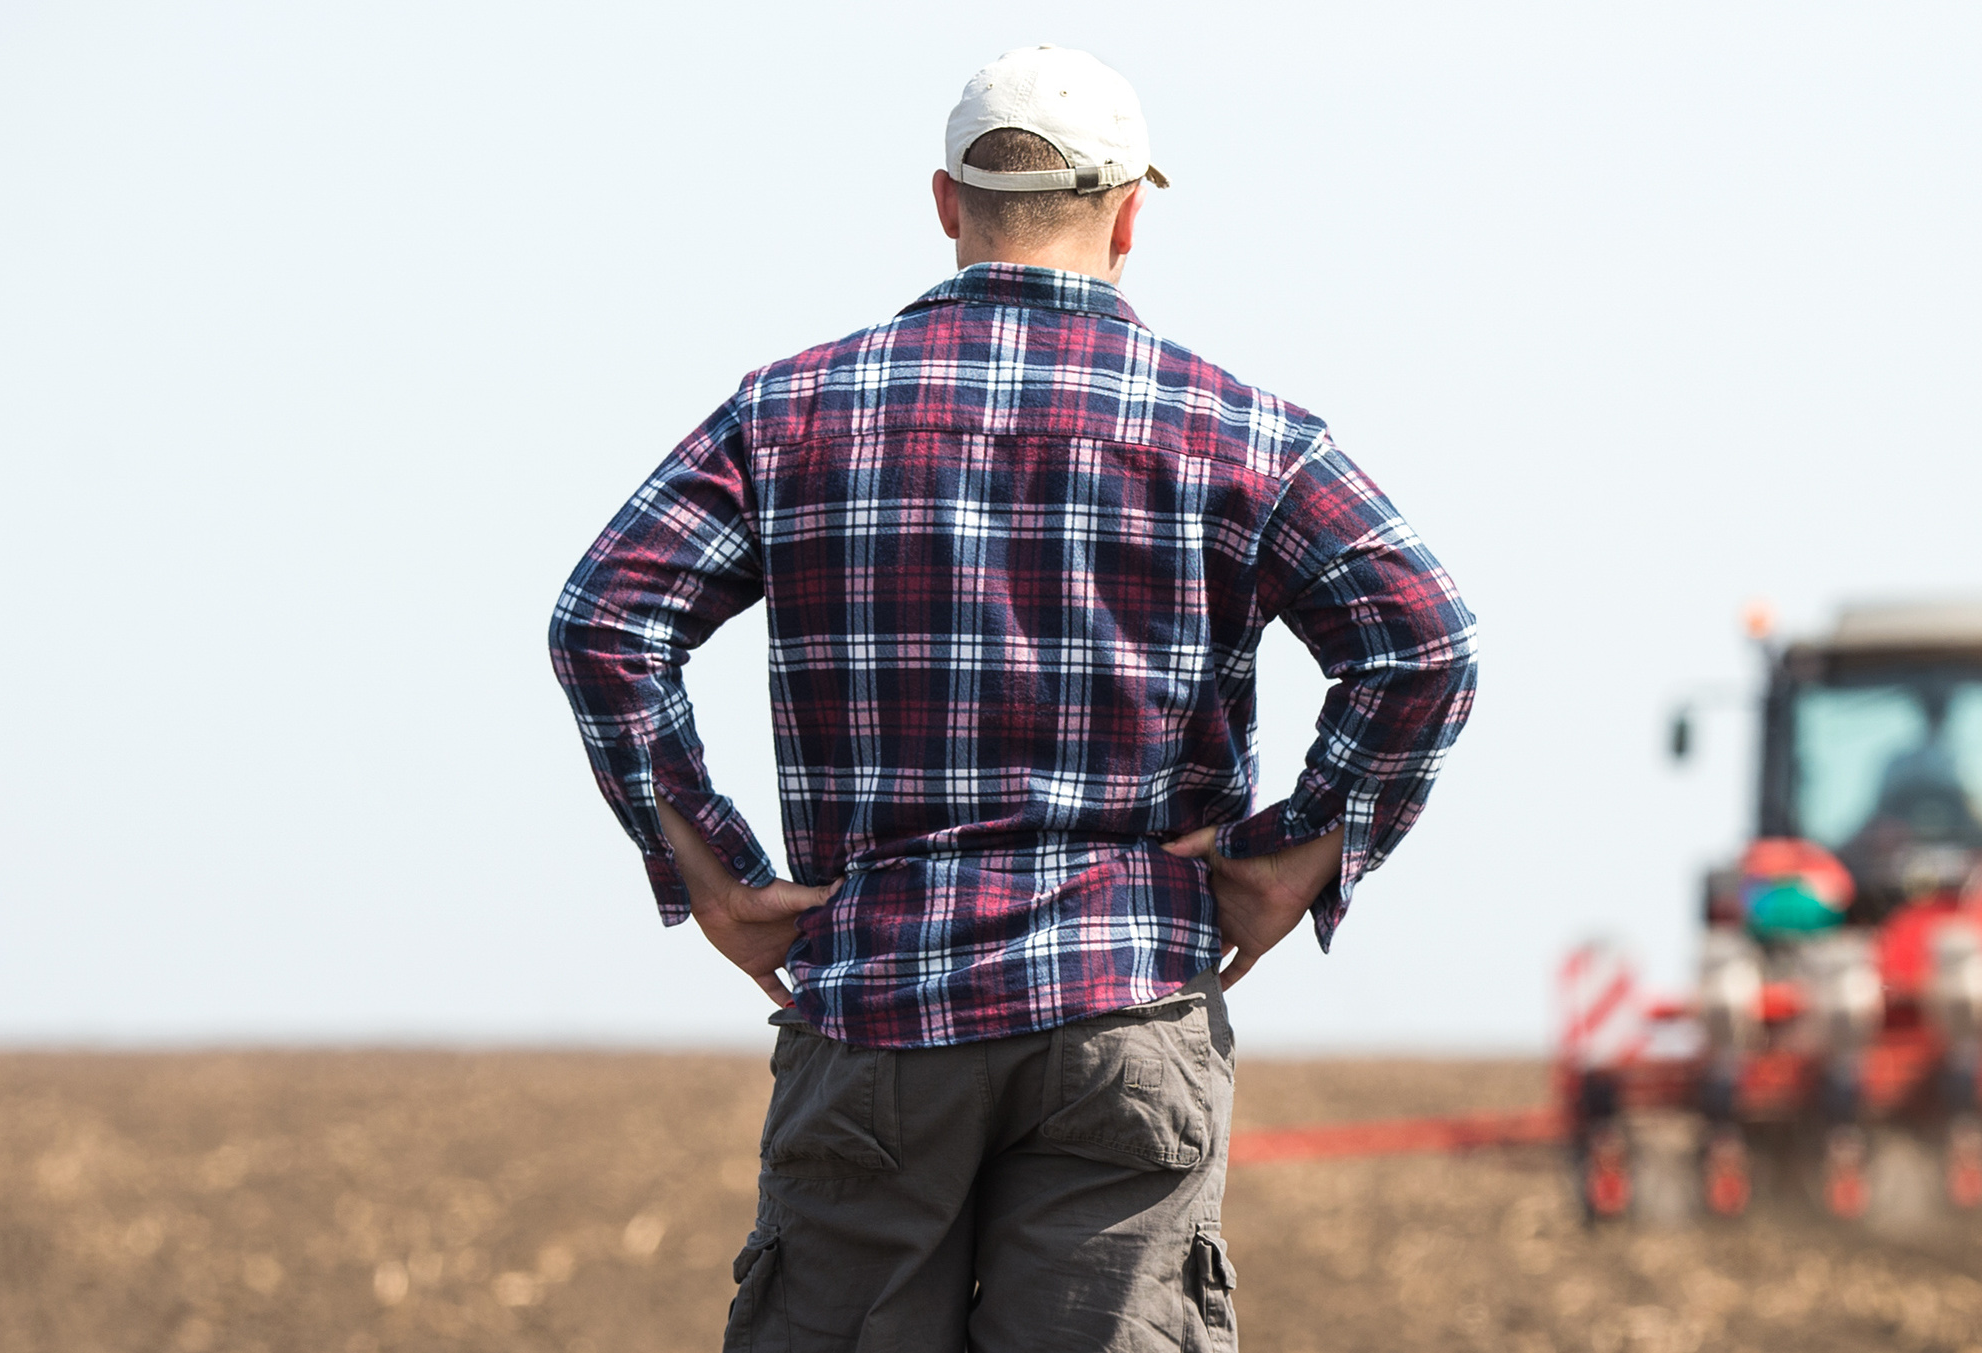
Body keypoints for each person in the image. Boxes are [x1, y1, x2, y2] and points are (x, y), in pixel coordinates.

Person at [545, 45, 1477, 1352]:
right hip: (1127, 1002)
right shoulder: (1244, 433)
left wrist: (716, 876)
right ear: (1133, 214)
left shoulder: (791, 413)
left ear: (946, 204)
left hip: (878, 1002)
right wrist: (1293, 859)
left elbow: (604, 616)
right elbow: (1425, 641)